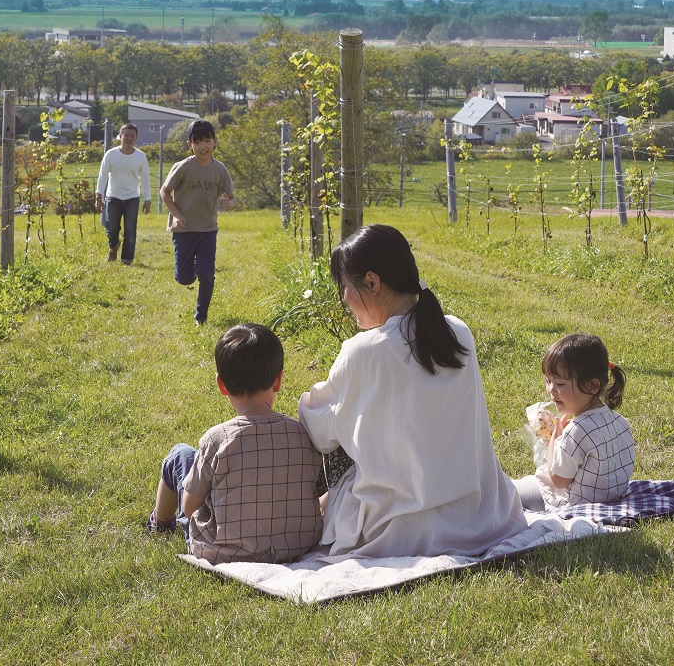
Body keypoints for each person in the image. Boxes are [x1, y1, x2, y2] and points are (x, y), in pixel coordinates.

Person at [297, 224, 527, 559]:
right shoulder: (458, 332)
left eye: (345, 287)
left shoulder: (364, 352)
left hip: (398, 528)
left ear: (372, 283)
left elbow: (318, 429)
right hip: (480, 515)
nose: (343, 298)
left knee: (341, 439)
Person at [148, 323, 324, 564]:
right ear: (278, 380)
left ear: (221, 385)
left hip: (226, 551)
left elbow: (189, 507)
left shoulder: (217, 438)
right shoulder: (304, 433)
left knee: (180, 455)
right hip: (296, 546)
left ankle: (160, 524)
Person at [512, 333, 635, 513]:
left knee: (507, 491)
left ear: (592, 386)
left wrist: (555, 438)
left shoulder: (576, 432)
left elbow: (558, 480)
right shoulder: (620, 421)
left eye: (560, 383)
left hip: (574, 505)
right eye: (548, 381)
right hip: (612, 498)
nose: (550, 390)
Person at [160, 119, 235, 325]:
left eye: (207, 140)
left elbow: (231, 196)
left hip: (208, 230)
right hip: (183, 230)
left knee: (207, 275)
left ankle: (201, 316)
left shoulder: (220, 170)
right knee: (184, 278)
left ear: (215, 142)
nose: (203, 146)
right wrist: (176, 214)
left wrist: (230, 202)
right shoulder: (182, 167)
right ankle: (192, 268)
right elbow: (164, 192)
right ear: (189, 145)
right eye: (197, 141)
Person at [95, 122, 151, 265]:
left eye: (132, 136)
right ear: (120, 136)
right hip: (113, 197)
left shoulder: (140, 157)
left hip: (132, 198)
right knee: (111, 227)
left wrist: (147, 200)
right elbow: (102, 176)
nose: (129, 138)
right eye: (126, 135)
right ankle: (113, 246)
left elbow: (145, 178)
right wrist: (98, 197)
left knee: (130, 231)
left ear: (136, 138)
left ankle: (126, 260)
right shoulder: (111, 154)